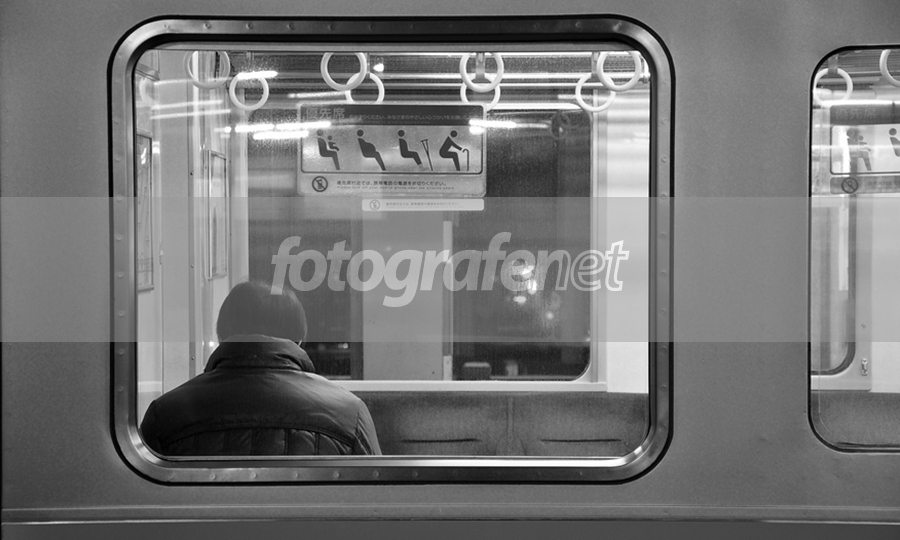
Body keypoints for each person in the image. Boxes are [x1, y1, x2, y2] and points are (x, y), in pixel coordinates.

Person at [140, 281, 381, 456]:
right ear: (298, 341)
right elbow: (375, 498)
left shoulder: (165, 414)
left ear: (222, 336)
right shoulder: (350, 414)